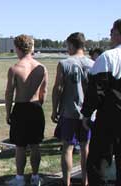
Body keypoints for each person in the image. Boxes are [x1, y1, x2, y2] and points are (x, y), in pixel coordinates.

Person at [81, 19, 121, 186]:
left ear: (118, 33)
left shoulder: (108, 57)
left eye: (112, 32)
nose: (110, 35)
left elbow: (97, 92)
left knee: (97, 162)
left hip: (110, 118)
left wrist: (86, 114)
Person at [51, 32, 94, 186]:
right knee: (85, 148)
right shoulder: (92, 64)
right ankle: (85, 181)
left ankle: (66, 181)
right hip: (87, 115)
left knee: (67, 148)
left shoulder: (64, 64)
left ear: (71, 45)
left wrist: (54, 109)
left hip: (69, 112)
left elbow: (58, 88)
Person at [5, 34, 48, 186]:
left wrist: (8, 112)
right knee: (35, 145)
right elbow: (44, 92)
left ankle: (20, 178)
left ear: (17, 48)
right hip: (36, 107)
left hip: (21, 108)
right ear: (32, 48)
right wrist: (38, 105)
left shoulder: (15, 68)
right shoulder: (42, 68)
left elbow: (9, 93)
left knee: (20, 146)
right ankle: (36, 177)